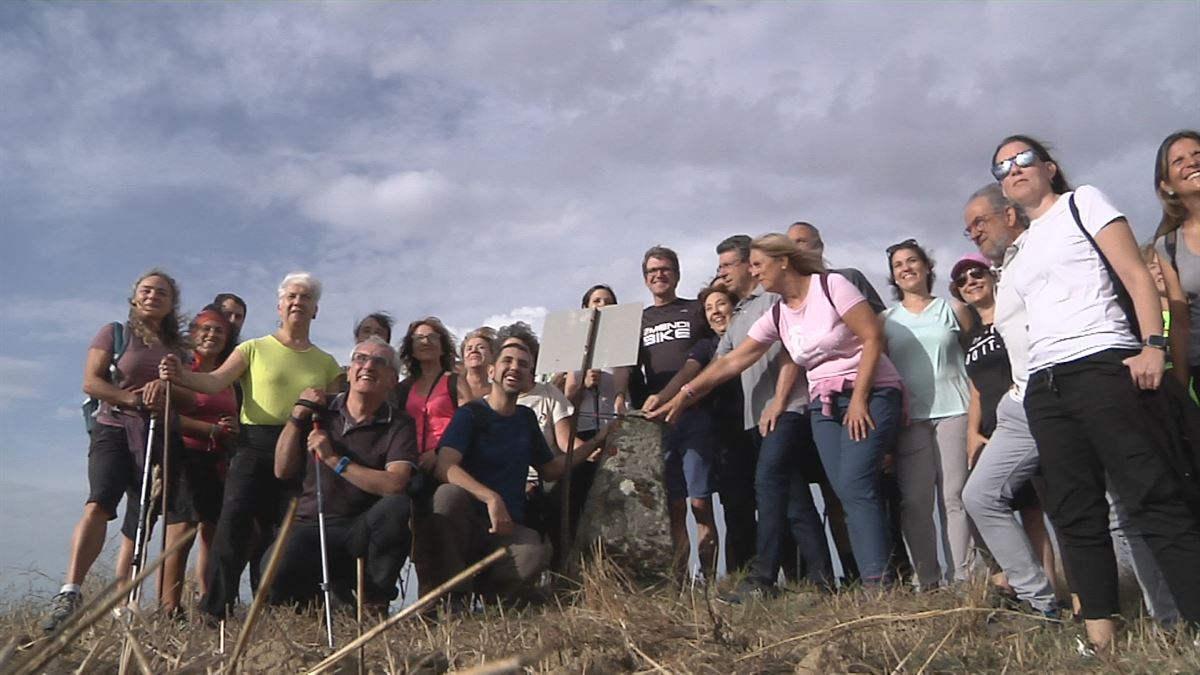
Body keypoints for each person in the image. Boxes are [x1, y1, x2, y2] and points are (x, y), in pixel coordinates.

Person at [991, 134, 1200, 650]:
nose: (1013, 170)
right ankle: (1100, 637)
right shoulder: (1020, 246)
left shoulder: (1083, 202)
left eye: (1022, 160)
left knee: (1152, 496)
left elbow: (1135, 275)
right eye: (1002, 167)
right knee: (1074, 510)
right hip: (1046, 384)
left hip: (1104, 363)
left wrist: (1152, 345)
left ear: (1049, 167)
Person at [649, 234, 904, 586]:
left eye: (757, 264)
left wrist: (859, 398)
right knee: (844, 488)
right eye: (750, 265)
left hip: (868, 393)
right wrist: (683, 395)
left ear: (782, 261)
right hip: (823, 404)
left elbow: (873, 335)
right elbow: (734, 359)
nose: (753, 272)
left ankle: (877, 581)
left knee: (855, 485)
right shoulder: (780, 312)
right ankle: (849, 578)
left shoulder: (831, 286)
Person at [159, 271, 344, 620]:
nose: (297, 303)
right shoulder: (253, 348)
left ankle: (274, 608)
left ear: (315, 310)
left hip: (300, 447)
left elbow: (336, 413)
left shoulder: (326, 363)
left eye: (305, 298)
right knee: (233, 526)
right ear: (279, 305)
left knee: (284, 531)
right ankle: (215, 611)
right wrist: (180, 375)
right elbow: (214, 382)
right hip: (253, 444)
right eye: (291, 296)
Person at [41, 270, 191, 631]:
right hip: (114, 426)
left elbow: (189, 396)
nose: (153, 296)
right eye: (147, 290)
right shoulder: (115, 333)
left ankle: (126, 602)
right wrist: (131, 398)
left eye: (162, 292)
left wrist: (167, 386)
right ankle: (70, 591)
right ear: (135, 297)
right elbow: (91, 381)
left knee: (141, 518)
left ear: (172, 303)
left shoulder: (178, 349)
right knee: (99, 502)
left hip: (157, 434)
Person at [428, 341, 615, 602]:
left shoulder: (525, 418)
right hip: (468, 520)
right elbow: (444, 466)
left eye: (523, 364)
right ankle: (455, 597)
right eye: (508, 361)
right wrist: (491, 498)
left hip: (507, 528)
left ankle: (496, 601)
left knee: (534, 554)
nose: (515, 368)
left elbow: (550, 470)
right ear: (491, 371)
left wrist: (597, 442)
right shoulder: (470, 414)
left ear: (531, 376)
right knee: (447, 497)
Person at [709, 234, 830, 592]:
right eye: (719, 268)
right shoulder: (740, 314)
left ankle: (762, 577)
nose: (722, 273)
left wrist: (778, 401)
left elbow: (792, 351)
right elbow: (720, 364)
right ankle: (821, 578)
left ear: (750, 264)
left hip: (788, 410)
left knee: (768, 485)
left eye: (727, 265)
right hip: (757, 419)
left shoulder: (773, 300)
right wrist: (679, 397)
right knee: (793, 498)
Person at [270, 337, 417, 612]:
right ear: (349, 371)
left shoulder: (399, 423)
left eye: (379, 362)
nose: (368, 366)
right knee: (274, 579)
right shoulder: (319, 410)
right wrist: (297, 417)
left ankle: (374, 601)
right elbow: (282, 470)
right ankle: (320, 602)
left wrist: (334, 459)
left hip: (360, 527)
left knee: (396, 508)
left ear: (392, 379)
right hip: (312, 522)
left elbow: (396, 484)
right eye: (360, 359)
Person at [950, 248, 1058, 611]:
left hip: (1031, 420)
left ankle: (1057, 592)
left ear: (992, 276)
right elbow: (977, 389)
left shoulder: (1013, 317)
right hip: (994, 433)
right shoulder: (971, 336)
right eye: (962, 280)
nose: (970, 282)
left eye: (976, 273)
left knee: (1038, 511)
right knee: (986, 501)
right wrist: (972, 432)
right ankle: (1019, 588)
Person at [881, 239, 973, 588]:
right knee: (915, 503)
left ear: (926, 267)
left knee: (955, 498)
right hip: (911, 420)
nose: (906, 268)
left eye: (912, 261)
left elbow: (974, 358)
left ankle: (963, 579)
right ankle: (928, 581)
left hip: (956, 412)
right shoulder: (887, 320)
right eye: (898, 265)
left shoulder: (953, 308)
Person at [633, 245, 720, 579]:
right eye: (653, 271)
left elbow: (710, 353)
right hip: (658, 418)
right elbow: (629, 368)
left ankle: (709, 579)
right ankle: (679, 580)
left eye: (665, 269)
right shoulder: (640, 320)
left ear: (676, 273)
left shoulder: (696, 310)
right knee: (673, 505)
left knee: (700, 502)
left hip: (694, 413)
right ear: (645, 279)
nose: (659, 275)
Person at [159, 307, 240, 615]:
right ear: (192, 334)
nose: (211, 335)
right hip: (185, 455)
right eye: (205, 329)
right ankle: (169, 607)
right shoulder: (180, 368)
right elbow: (168, 414)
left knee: (213, 531)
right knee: (181, 531)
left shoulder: (230, 375)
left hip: (219, 459)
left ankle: (208, 602)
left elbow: (235, 415)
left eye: (219, 331)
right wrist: (211, 429)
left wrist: (232, 430)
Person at [395, 317, 472, 593]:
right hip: (413, 467)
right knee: (419, 532)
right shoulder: (404, 388)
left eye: (431, 337)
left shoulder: (455, 381)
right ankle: (427, 599)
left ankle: (456, 594)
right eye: (418, 338)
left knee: (445, 525)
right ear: (410, 348)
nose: (425, 342)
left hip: (448, 463)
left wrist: (438, 451)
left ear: (443, 346)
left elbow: (468, 419)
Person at [1152, 129, 1200, 400]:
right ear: (1166, 185)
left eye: (1197, 154)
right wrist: (1181, 386)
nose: (1192, 162)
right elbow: (1180, 321)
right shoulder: (1168, 246)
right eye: (1178, 160)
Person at [787, 222, 886, 314]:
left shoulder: (849, 278)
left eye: (800, 241)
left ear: (819, 247)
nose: (794, 248)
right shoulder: (781, 297)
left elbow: (882, 320)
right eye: (789, 244)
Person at [461, 327, 498, 401]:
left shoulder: (498, 391)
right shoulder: (453, 388)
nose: (474, 350)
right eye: (469, 348)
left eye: (481, 347)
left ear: (492, 355)